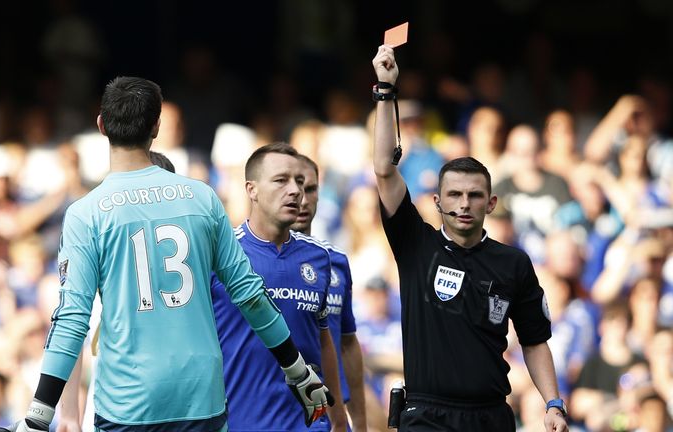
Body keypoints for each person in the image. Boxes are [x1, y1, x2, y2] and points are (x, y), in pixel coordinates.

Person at [0, 77, 330, 432]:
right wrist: (297, 371)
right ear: (157, 126)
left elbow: (73, 320)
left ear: (102, 125)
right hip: (202, 399)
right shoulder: (202, 198)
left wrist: (39, 416)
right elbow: (251, 296)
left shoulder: (86, 213)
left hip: (128, 404)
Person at [371, 46, 568, 432]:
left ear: (491, 203)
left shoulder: (513, 262)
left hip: (491, 415)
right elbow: (383, 170)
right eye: (455, 195)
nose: (464, 204)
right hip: (427, 415)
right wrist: (384, 90)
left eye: (475, 195)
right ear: (437, 201)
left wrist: (553, 403)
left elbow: (534, 339)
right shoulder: (415, 244)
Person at [210, 142, 346, 431]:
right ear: (252, 190)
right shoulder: (222, 255)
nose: (295, 190)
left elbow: (325, 341)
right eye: (281, 180)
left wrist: (337, 420)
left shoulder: (319, 257)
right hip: (240, 422)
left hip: (308, 424)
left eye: (299, 181)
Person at [291, 153, 368, 430]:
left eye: (310, 189)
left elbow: (347, 342)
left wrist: (358, 420)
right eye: (292, 188)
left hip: (334, 413)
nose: (301, 197)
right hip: (279, 408)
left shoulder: (335, 261)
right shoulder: (244, 258)